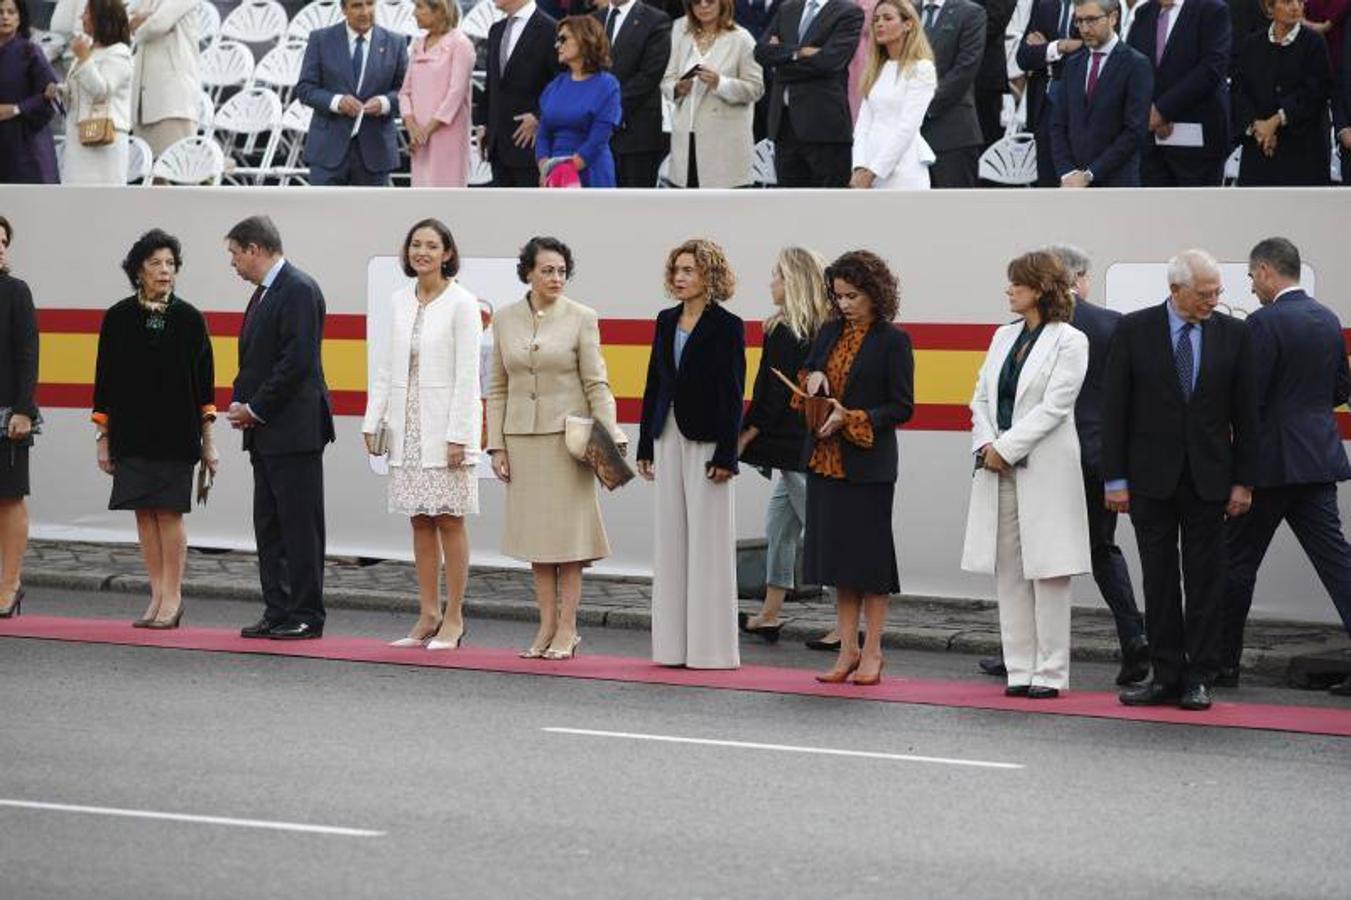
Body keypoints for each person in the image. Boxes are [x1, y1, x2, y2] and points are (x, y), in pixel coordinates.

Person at [1104, 249, 1258, 711]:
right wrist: (1114, 479)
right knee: (1159, 580)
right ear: (1175, 291)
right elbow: (1115, 410)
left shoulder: (1235, 334)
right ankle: (1165, 674)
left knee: (1206, 580)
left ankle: (1199, 676)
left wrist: (1244, 482)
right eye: (1204, 294)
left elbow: (1248, 415)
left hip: (1211, 480)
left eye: (1217, 293)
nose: (1214, 301)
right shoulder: (1133, 330)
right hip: (1150, 480)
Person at [1222, 238, 1351, 697]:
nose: (1253, 285)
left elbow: (1248, 401)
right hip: (1318, 461)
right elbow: (1340, 388)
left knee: (1236, 563)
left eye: (1253, 276)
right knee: (1338, 564)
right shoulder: (1327, 319)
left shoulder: (1263, 323)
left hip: (1269, 466)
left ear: (1266, 271)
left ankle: (1223, 666)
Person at [488, 237, 624, 660]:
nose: (556, 278)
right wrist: (497, 446)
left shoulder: (583, 318)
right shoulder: (504, 319)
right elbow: (497, 386)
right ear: (528, 272)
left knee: (569, 543)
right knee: (537, 543)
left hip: (569, 444)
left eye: (562, 270)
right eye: (547, 270)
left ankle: (568, 627)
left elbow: (596, 382)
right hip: (521, 442)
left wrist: (612, 432)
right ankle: (546, 624)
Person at [962, 252, 1088, 699]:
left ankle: (1051, 672)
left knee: (1049, 572)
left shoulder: (1070, 341)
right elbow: (978, 397)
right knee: (1010, 571)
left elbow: (1056, 407)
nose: (1008, 290)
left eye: (1016, 283)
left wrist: (1006, 448)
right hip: (998, 467)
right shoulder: (1002, 336)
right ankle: (1019, 668)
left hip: (1045, 468)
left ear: (1039, 288)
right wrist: (987, 445)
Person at [363, 220, 481, 650]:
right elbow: (386, 365)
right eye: (416, 244)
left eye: (432, 245)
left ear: (448, 253)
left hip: (445, 424)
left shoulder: (463, 303)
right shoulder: (398, 301)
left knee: (449, 519)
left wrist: (460, 436)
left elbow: (470, 376)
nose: (422, 252)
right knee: (419, 519)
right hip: (407, 425)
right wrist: (373, 419)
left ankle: (454, 617)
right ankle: (427, 613)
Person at [799, 250, 914, 686]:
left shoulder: (893, 340)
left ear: (874, 293)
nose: (844, 304)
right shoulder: (828, 332)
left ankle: (873, 651)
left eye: (852, 295)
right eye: (838, 296)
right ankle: (846, 650)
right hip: (825, 461)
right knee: (837, 563)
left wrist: (853, 417)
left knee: (870, 563)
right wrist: (812, 379)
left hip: (868, 465)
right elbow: (811, 370)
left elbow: (902, 407)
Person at [91, 230, 216, 630]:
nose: (165, 271)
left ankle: (174, 596)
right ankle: (156, 594)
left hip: (177, 433)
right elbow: (104, 383)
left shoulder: (190, 318)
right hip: (131, 432)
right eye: (156, 264)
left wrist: (209, 442)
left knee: (169, 514)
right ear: (138, 271)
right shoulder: (117, 317)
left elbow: (206, 386)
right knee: (144, 514)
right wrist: (103, 437)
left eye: (170, 264)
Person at [225, 216, 336, 641]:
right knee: (270, 525)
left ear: (254, 249)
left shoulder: (298, 289)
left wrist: (256, 407)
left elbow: (298, 361)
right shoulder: (265, 293)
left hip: (295, 431)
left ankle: (306, 613)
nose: (233, 263)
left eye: (235, 253)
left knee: (299, 527)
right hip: (267, 433)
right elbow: (255, 359)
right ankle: (278, 609)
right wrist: (240, 399)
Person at [637, 239, 746, 670]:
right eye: (677, 269)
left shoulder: (728, 325)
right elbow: (653, 384)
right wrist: (646, 442)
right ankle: (670, 648)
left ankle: (712, 651)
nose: (681, 277)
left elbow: (733, 393)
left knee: (710, 542)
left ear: (710, 275)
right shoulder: (665, 321)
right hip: (667, 435)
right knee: (671, 540)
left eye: (690, 270)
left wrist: (727, 454)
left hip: (707, 441)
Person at [737, 246, 830, 639]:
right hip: (809, 440)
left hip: (793, 447)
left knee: (824, 529)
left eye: (776, 277)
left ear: (792, 282)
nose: (770, 284)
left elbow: (769, 393)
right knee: (780, 526)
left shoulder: (781, 329)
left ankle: (850, 624)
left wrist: (747, 432)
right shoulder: (823, 328)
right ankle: (771, 612)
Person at [295, 0, 409, 186]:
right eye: (357, 5)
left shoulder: (396, 43)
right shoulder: (320, 39)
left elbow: (405, 92)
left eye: (370, 4)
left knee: (371, 215)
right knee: (323, 214)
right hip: (327, 151)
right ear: (343, 9)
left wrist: (384, 103)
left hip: (375, 152)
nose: (365, 11)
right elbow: (305, 88)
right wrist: (337, 102)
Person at [754, 0, 865, 187]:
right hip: (784, 126)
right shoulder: (787, 8)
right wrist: (799, 52)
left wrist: (780, 63)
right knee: (790, 207)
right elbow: (761, 53)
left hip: (824, 128)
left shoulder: (849, 11)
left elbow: (830, 61)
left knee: (829, 207)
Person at [1125, 0, 1232, 186]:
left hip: (1198, 140)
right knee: (1154, 212)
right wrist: (1150, 111)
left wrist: (1163, 110)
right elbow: (1132, 66)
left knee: (1197, 212)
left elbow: (1211, 68)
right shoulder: (1144, 12)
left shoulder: (1212, 9)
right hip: (1151, 143)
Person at [661, 0, 764, 188]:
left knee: (726, 214)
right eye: (696, 2)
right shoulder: (681, 33)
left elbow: (756, 88)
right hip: (685, 142)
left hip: (724, 148)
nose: (703, 6)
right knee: (687, 212)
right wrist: (677, 88)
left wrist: (720, 83)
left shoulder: (742, 38)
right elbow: (667, 79)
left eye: (710, 1)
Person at [1049, 0, 1153, 187]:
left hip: (1117, 185)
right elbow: (1058, 123)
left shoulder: (1136, 65)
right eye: (1079, 21)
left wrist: (1090, 174)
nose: (1085, 28)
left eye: (1091, 20)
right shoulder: (1072, 65)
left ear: (1113, 17)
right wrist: (1068, 172)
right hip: (1073, 185)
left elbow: (1134, 132)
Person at [1233, 0, 1332, 186]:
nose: (1295, 7)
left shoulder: (1314, 43)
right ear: (1270, 7)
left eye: (1300, 2)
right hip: (1258, 151)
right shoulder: (1252, 44)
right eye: (1287, 2)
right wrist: (1258, 127)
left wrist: (1275, 121)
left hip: (1302, 153)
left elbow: (1316, 92)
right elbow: (1238, 91)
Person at [851, 0, 938, 189]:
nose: (879, 24)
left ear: (908, 24)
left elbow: (907, 127)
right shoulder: (875, 69)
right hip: (868, 169)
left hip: (904, 171)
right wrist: (859, 166)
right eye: (876, 20)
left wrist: (874, 171)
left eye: (888, 18)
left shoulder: (922, 69)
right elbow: (863, 123)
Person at [478, 0, 559, 187]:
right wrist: (484, 123)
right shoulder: (496, 30)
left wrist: (539, 117)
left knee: (531, 213)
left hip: (531, 144)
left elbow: (560, 84)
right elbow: (492, 83)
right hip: (498, 144)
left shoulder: (551, 29)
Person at [536, 16, 622, 187]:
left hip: (592, 173)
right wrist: (545, 167)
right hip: (554, 174)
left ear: (585, 39)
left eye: (563, 39)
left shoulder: (608, 85)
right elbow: (543, 134)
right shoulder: (554, 86)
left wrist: (567, 169)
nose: (557, 45)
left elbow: (598, 139)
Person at [0, 216, 37, 618]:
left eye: (3, 241)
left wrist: (25, 409)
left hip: (8, 415)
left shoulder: (15, 292)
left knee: (8, 499)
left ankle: (9, 586)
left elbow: (28, 354)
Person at [399, 0, 476, 187]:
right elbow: (404, 92)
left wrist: (426, 131)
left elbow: (455, 94)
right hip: (419, 139)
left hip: (447, 135)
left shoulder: (461, 44)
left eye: (420, 7)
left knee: (446, 196)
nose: (414, 14)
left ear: (438, 10)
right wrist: (412, 128)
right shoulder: (418, 44)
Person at [596, 0, 672, 187]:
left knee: (637, 207)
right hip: (595, 134)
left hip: (636, 132)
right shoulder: (592, 20)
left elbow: (650, 75)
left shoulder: (655, 20)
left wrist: (611, 109)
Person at [59, 0, 132, 185]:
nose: (81, 17)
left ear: (101, 18)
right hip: (78, 138)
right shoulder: (87, 51)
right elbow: (78, 94)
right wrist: (60, 91)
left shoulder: (119, 52)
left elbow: (102, 91)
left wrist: (83, 59)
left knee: (104, 203)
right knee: (75, 199)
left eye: (86, 13)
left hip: (106, 141)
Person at [919, 0, 989, 188]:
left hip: (952, 133)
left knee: (955, 212)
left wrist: (919, 106)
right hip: (908, 138)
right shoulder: (906, 11)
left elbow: (964, 69)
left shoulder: (971, 13)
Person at [1017, 0, 1085, 186]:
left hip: (1084, 108)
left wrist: (1045, 50)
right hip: (1046, 106)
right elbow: (1023, 57)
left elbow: (1094, 53)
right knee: (1047, 184)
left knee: (1077, 181)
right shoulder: (1046, 5)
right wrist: (1059, 46)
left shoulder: (1100, 5)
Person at [128, 0, 201, 157]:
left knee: (174, 170)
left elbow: (157, 25)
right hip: (145, 103)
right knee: (150, 174)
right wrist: (139, 21)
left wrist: (140, 23)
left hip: (172, 102)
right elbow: (121, 18)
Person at [0, 0, 60, 184]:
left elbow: (52, 96)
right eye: (0, 12)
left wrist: (16, 109)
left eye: (11, 12)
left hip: (27, 150)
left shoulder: (30, 52)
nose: (5, 17)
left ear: (20, 18)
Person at [972, 0, 1017, 148]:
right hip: (941, 72)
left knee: (984, 145)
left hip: (982, 76)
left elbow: (996, 19)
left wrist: (959, 35)